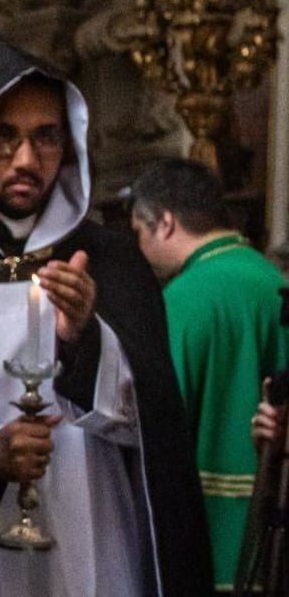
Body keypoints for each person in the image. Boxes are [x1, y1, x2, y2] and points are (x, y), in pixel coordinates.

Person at [0, 42, 212, 596]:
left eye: (46, 137)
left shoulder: (112, 264)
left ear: (70, 145)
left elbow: (155, 430)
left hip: (93, 532)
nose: (26, 160)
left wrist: (87, 340)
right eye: (5, 136)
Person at [129, 157, 289, 593]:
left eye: (139, 232)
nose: (139, 250)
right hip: (273, 527)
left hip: (203, 532)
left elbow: (157, 423)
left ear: (164, 223)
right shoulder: (270, 278)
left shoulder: (183, 298)